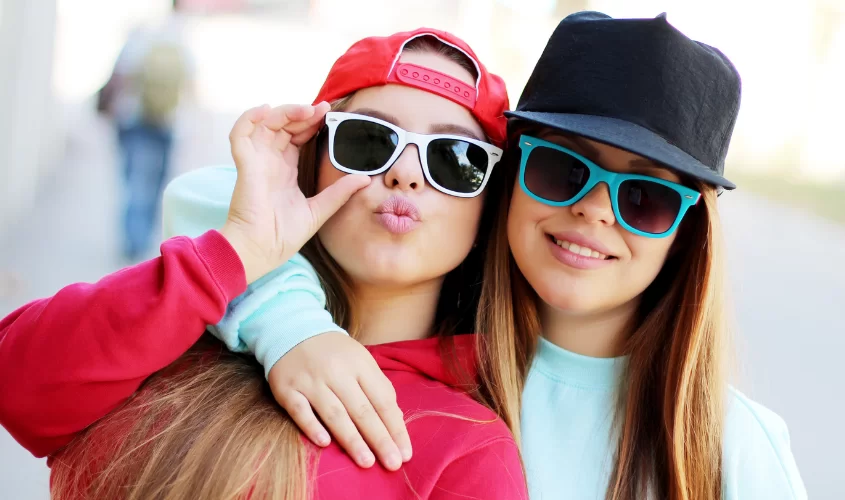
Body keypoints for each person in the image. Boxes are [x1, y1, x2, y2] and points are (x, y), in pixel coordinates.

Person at [155, 12, 808, 500]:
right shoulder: (426, 323)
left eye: (644, 198)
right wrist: (288, 324)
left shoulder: (730, 442)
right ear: (501, 182)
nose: (594, 210)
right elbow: (223, 197)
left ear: (687, 232)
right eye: (558, 169)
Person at [0, 29, 527, 499]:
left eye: (456, 160)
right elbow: (17, 385)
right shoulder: (182, 320)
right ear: (311, 161)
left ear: (487, 211)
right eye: (369, 141)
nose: (405, 174)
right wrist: (242, 256)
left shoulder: (470, 446)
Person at [98, 0, 192, 261]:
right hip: (168, 121)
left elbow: (121, 76)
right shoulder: (180, 38)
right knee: (155, 183)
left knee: (134, 181)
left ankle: (133, 242)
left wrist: (107, 106)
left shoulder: (139, 35)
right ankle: (143, 240)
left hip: (133, 118)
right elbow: (191, 83)